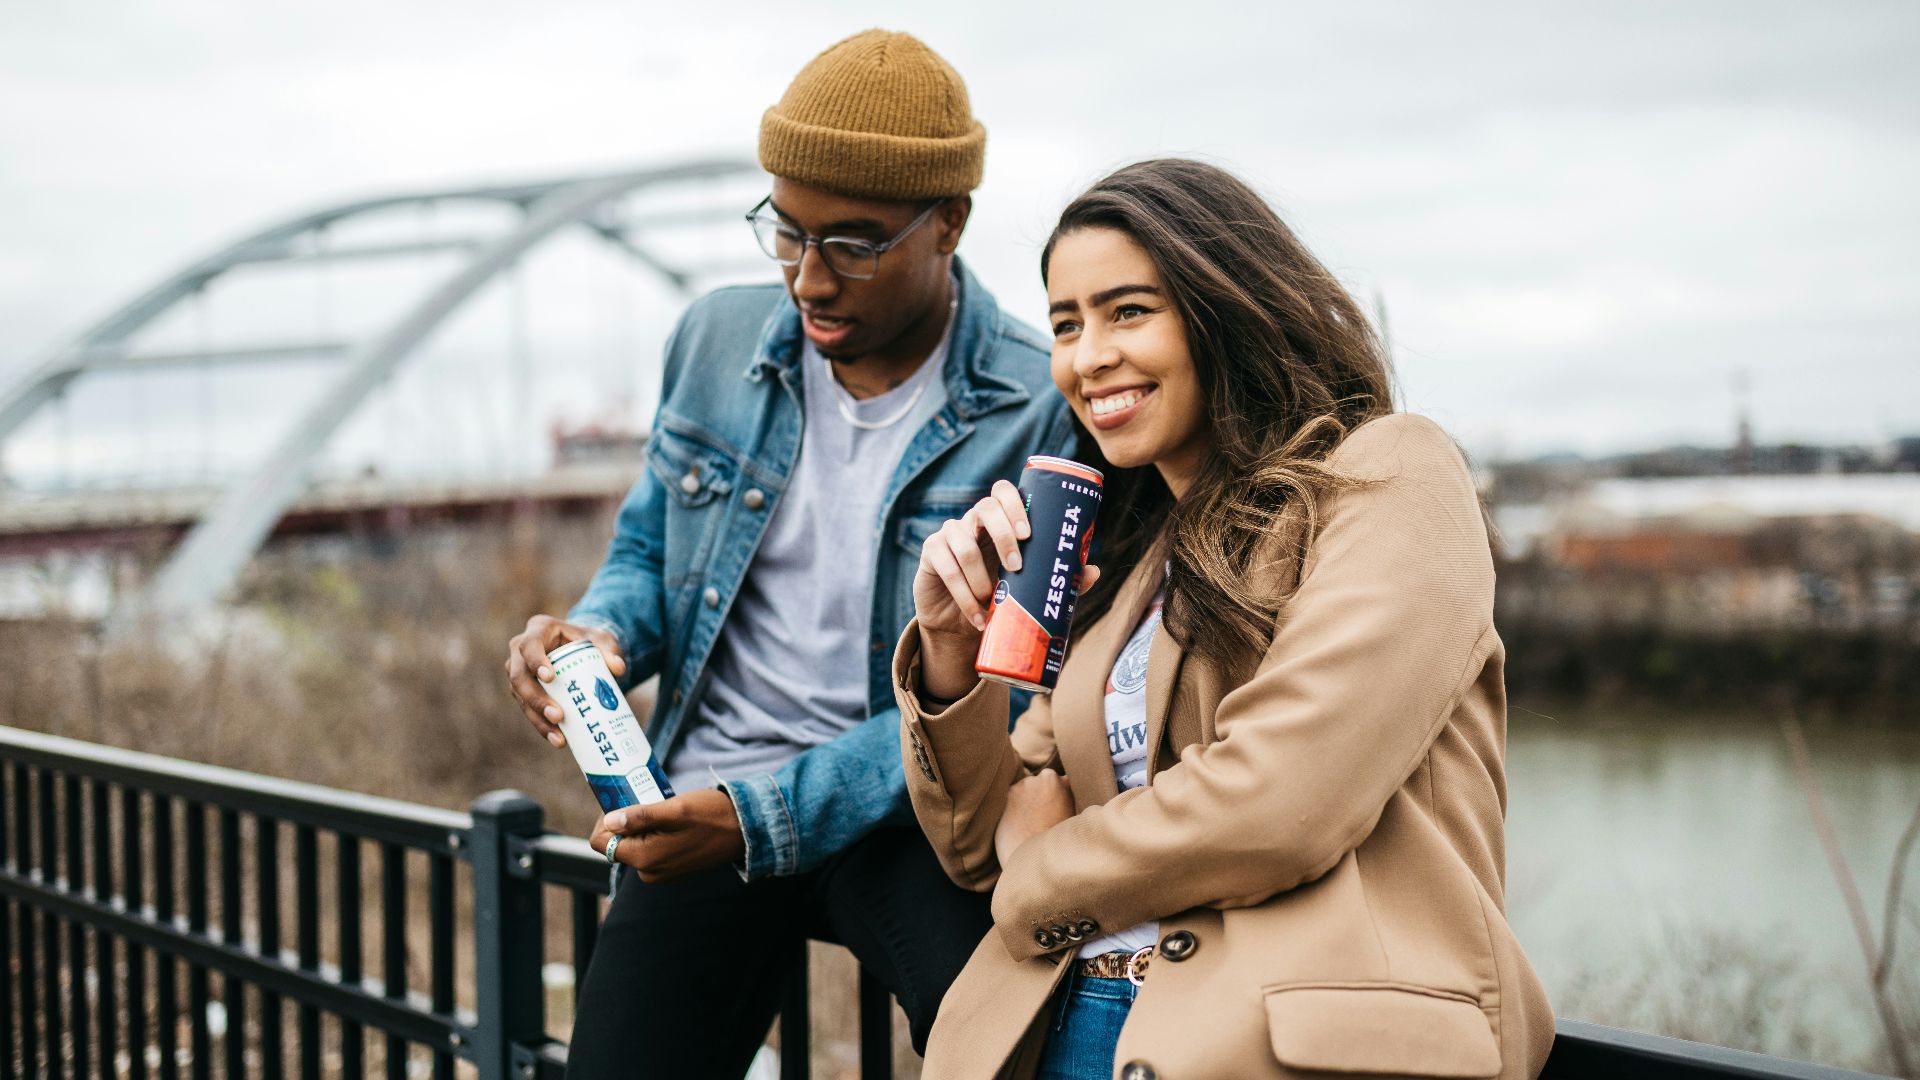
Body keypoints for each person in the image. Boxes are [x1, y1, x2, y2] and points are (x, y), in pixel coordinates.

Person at [898, 159, 1554, 1080]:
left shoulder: (1389, 476)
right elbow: (977, 842)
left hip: (1280, 1047)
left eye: (1128, 311)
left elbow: (1281, 799)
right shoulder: (1124, 568)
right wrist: (947, 656)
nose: (1088, 358)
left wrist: (1043, 867)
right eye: (1065, 324)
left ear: (1225, 305)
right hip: (1058, 1029)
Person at [502, 30, 1072, 1079]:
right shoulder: (716, 339)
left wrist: (759, 818)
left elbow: (1015, 698)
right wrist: (600, 633)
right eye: (785, 232)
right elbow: (647, 545)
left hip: (909, 818)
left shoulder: (1042, 409)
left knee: (1009, 1051)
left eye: (852, 243)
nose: (808, 279)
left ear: (948, 222)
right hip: (705, 796)